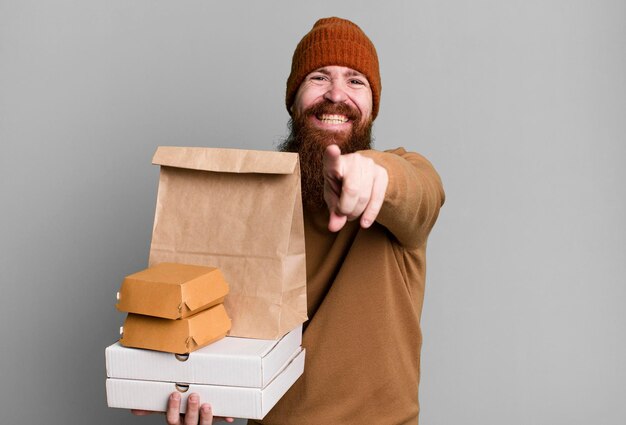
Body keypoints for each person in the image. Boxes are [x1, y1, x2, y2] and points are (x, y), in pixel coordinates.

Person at [133, 16, 445, 425]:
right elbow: (224, 333)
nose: (336, 94)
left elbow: (421, 196)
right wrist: (197, 389)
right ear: (294, 100)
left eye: (356, 81)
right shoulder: (252, 202)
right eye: (319, 77)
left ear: (372, 107)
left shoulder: (404, 174)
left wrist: (371, 176)